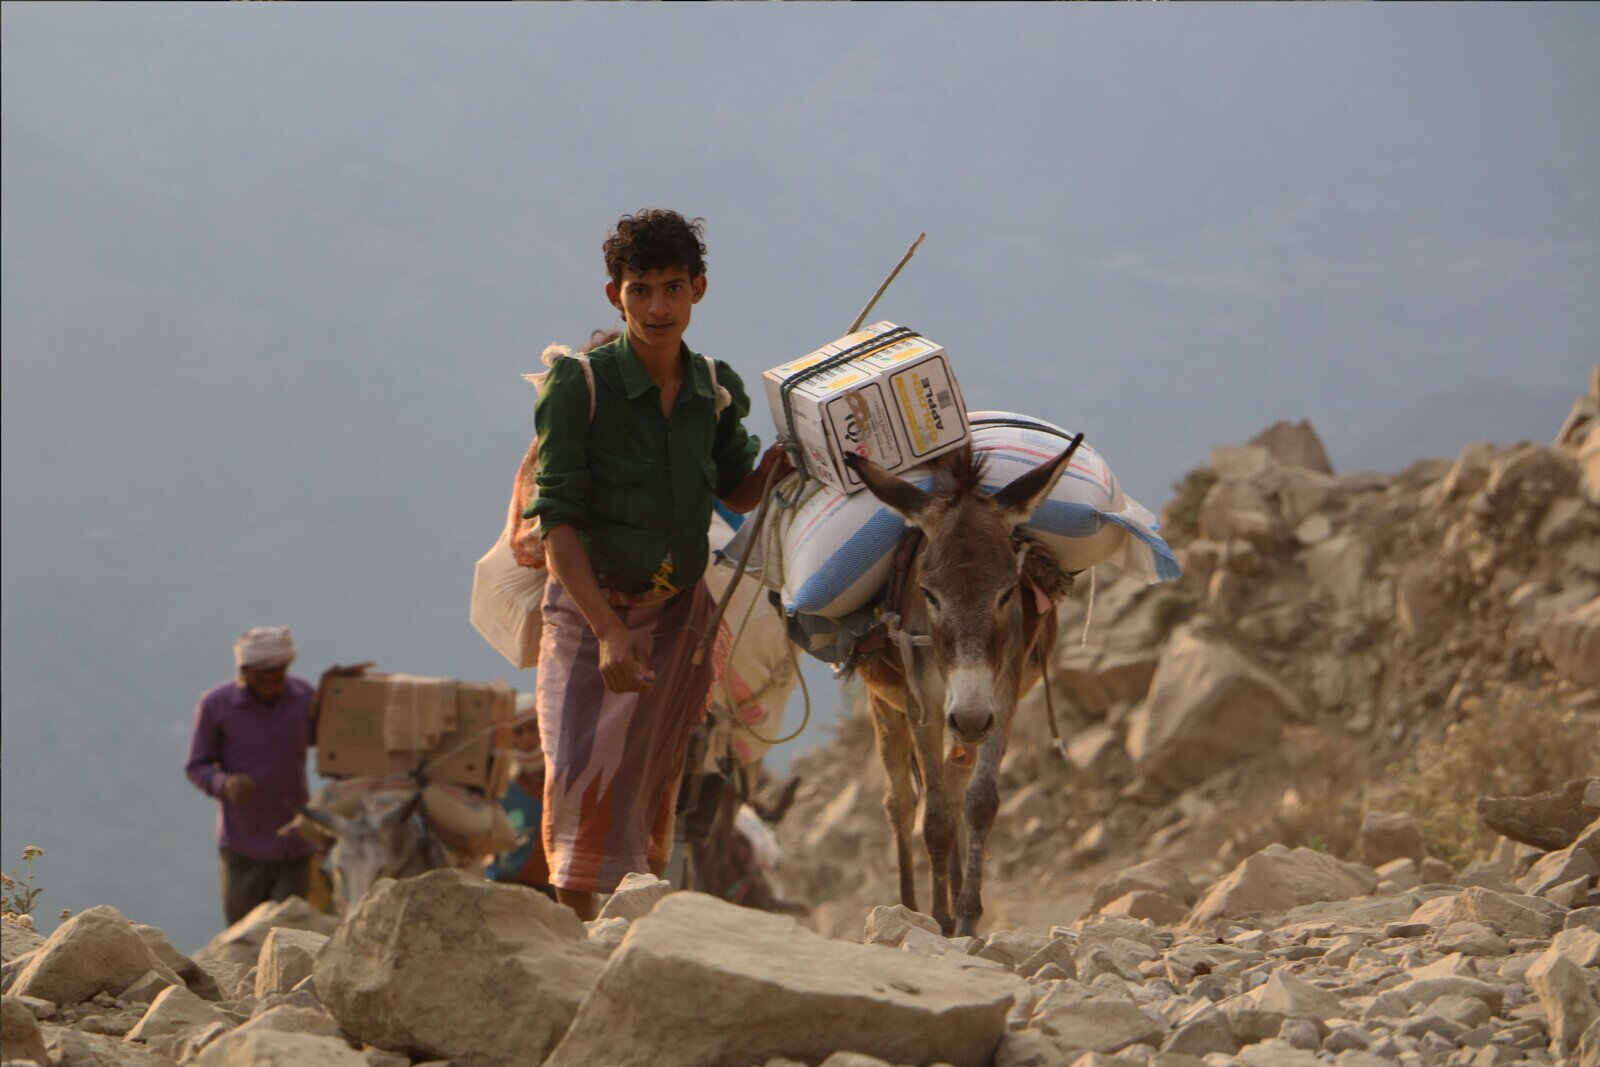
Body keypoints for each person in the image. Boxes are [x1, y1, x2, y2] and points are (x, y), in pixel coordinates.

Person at [527, 209, 789, 920]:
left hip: (678, 617)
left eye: (673, 288)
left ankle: (629, 936)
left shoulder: (712, 385)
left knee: (649, 775)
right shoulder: (578, 387)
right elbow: (557, 520)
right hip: (591, 614)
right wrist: (608, 629)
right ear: (614, 294)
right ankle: (578, 949)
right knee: (581, 778)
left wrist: (776, 465)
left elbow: (733, 487)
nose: (657, 308)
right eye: (640, 289)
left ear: (699, 289)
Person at [185, 625, 317, 926]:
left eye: (278, 679)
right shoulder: (216, 705)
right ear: (244, 672)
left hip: (294, 846)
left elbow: (331, 741)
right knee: (244, 940)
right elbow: (197, 765)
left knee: (291, 936)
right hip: (243, 848)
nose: (271, 687)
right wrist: (224, 784)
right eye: (263, 680)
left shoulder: (303, 698)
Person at [485, 693, 554, 897]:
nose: (527, 739)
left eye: (533, 729)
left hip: (560, 890)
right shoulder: (502, 789)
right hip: (514, 889)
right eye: (519, 732)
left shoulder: (564, 781)